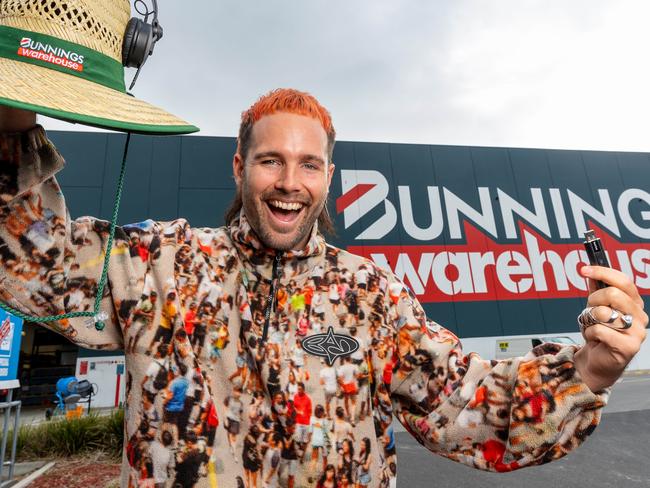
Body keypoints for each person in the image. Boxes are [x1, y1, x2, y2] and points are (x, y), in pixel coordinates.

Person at [0, 50, 646, 488]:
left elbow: (472, 410)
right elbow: (35, 263)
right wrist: (17, 97)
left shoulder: (372, 298)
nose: (289, 183)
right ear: (238, 167)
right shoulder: (161, 266)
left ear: (329, 178)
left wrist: (588, 369)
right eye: (270, 160)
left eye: (309, 164)